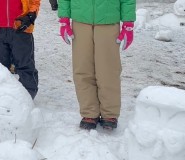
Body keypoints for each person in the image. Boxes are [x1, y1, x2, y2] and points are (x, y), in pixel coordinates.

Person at [58, 0, 136, 130]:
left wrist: (128, 23)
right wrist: (64, 19)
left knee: (108, 69)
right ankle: (89, 112)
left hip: (108, 21)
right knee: (82, 68)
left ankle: (109, 113)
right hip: (80, 20)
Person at [0, 0, 41, 99]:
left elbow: (35, 1)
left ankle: (27, 97)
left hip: (21, 27)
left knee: (24, 64)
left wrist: (31, 14)